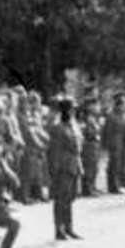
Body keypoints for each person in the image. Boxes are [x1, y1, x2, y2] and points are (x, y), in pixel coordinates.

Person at [47, 98, 84, 240]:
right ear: (66, 111)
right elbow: (54, 150)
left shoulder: (73, 125)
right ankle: (59, 228)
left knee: (70, 197)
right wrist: (54, 170)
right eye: (72, 109)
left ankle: (69, 227)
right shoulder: (58, 128)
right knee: (61, 198)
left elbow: (78, 145)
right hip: (63, 166)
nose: (74, 111)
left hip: (74, 164)